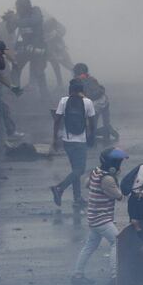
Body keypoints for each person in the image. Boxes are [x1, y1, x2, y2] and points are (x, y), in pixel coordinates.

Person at [71, 147, 128, 285]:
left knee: (90, 246)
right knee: (117, 242)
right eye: (118, 162)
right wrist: (116, 180)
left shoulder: (96, 172)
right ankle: (115, 277)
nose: (119, 165)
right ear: (112, 164)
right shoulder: (107, 179)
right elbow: (119, 196)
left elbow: (86, 184)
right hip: (101, 218)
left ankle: (77, 275)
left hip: (94, 217)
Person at [51, 79, 96, 208]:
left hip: (67, 140)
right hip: (80, 141)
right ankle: (59, 188)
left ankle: (77, 198)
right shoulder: (87, 102)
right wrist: (92, 137)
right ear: (82, 91)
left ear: (70, 90)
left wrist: (55, 139)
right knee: (80, 169)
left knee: (75, 169)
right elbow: (92, 123)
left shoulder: (63, 101)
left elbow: (57, 121)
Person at [7, 0, 49, 99]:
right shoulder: (19, 16)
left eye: (19, 8)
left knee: (39, 72)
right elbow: (10, 30)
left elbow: (34, 21)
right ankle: (15, 93)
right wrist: (9, 20)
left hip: (38, 47)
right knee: (16, 69)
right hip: (25, 47)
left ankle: (45, 97)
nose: (18, 10)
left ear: (25, 7)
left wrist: (16, 20)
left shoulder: (35, 11)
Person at [73, 63, 118, 142]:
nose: (79, 76)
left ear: (85, 74)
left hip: (100, 103)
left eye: (81, 74)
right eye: (77, 75)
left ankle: (107, 131)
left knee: (97, 123)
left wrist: (87, 97)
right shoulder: (78, 82)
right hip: (94, 104)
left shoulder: (91, 81)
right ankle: (103, 131)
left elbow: (98, 92)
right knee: (92, 124)